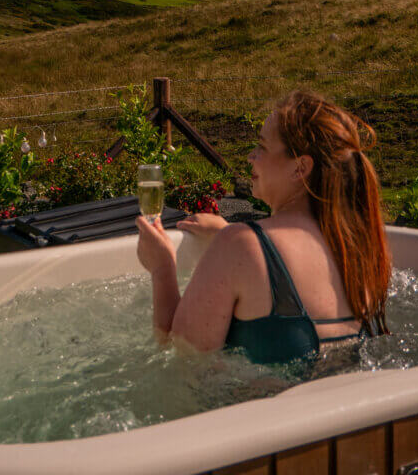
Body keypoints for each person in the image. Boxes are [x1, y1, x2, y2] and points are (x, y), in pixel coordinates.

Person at [135, 90, 391, 366]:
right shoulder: (359, 246)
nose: (250, 157)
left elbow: (179, 357)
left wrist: (162, 268)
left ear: (300, 168)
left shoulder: (238, 245)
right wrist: (228, 235)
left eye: (262, 147)